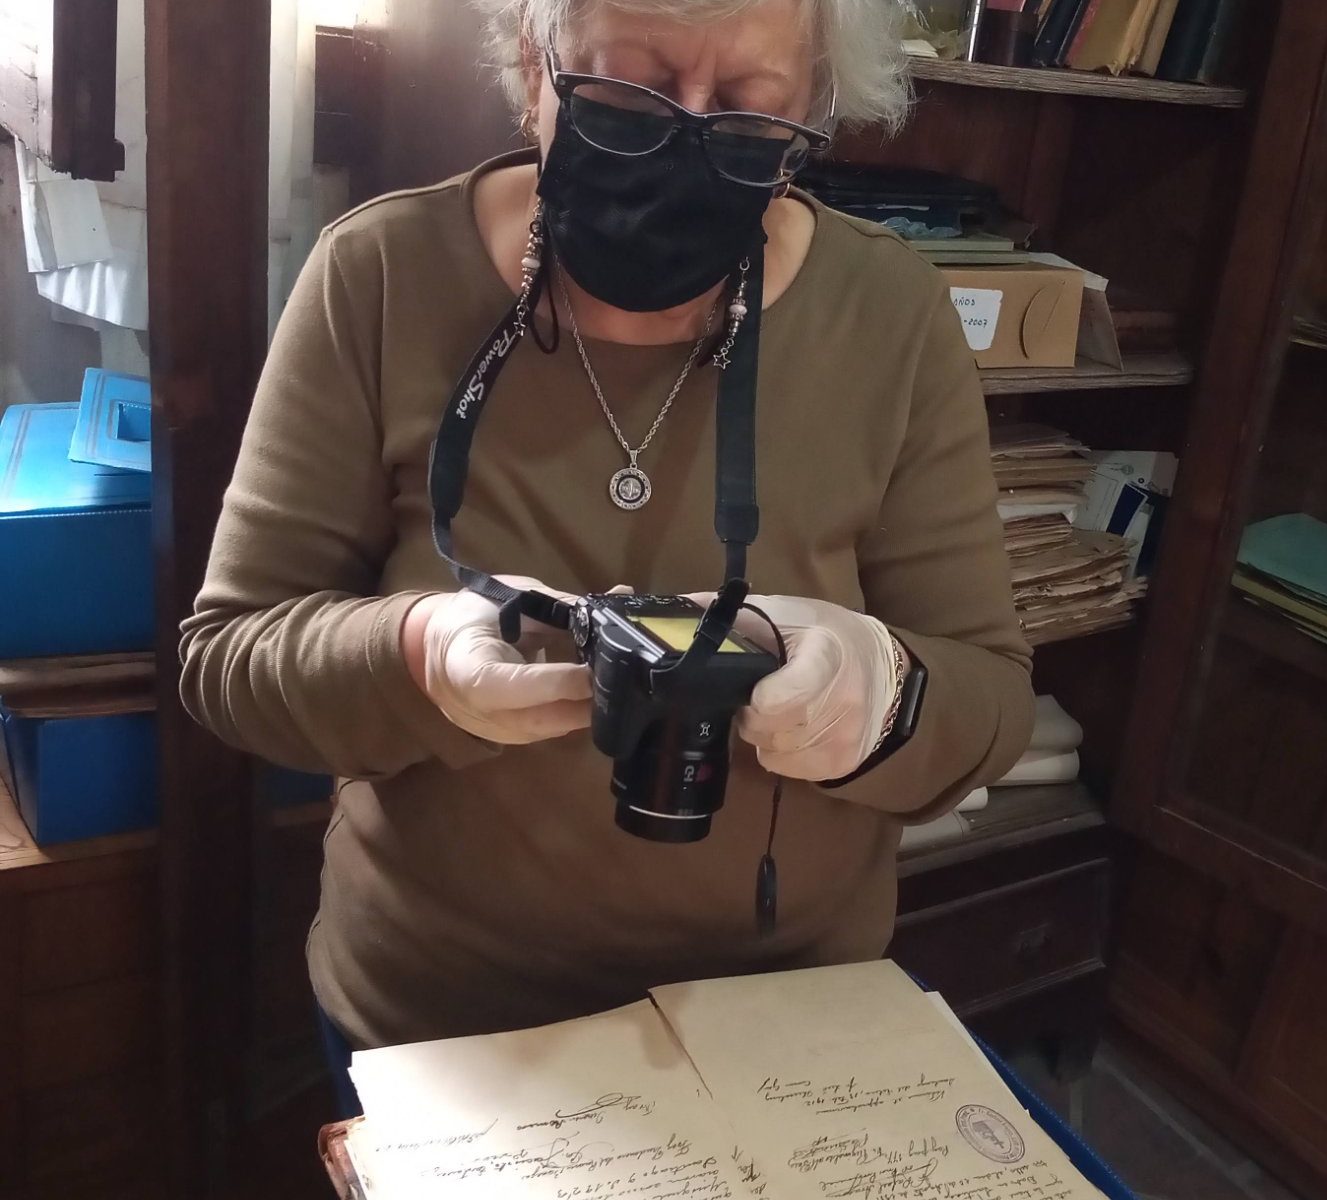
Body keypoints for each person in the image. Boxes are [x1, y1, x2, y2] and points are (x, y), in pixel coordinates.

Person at [179, 0, 1036, 1103]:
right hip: (447, 1031)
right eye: (632, 86)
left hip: (782, 1024)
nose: (688, 134)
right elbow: (230, 659)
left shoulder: (890, 315)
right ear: (532, 63)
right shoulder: (380, 273)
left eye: (750, 108)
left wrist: (883, 696)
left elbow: (991, 701)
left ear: (811, 114)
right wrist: (416, 658)